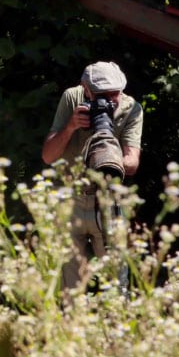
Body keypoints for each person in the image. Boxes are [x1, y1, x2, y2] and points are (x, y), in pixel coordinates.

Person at [42, 61, 143, 293]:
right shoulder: (72, 98)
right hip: (70, 199)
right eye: (101, 94)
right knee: (70, 287)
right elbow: (48, 156)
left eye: (114, 94)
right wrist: (70, 127)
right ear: (86, 90)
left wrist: (108, 151)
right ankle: (72, 328)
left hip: (108, 199)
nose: (109, 100)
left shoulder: (131, 108)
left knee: (117, 283)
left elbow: (132, 163)